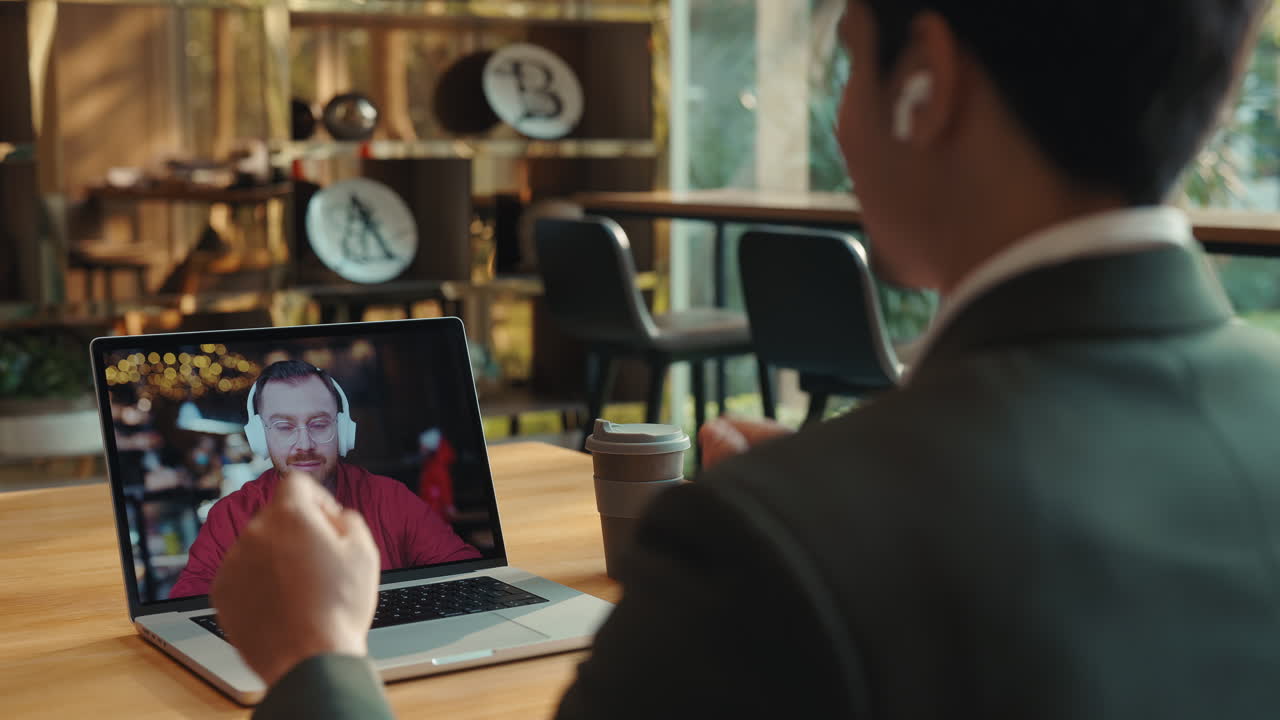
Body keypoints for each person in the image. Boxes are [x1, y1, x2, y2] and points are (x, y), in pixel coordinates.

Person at [215, 0, 1280, 717]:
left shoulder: (767, 549)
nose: (843, 120)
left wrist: (316, 661)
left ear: (928, 86)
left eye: (851, 60)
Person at [169, 361, 479, 598]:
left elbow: (470, 577)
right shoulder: (231, 516)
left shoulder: (392, 499)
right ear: (259, 438)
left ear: (344, 432)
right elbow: (184, 612)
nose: (304, 444)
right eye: (284, 426)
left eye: (319, 424)